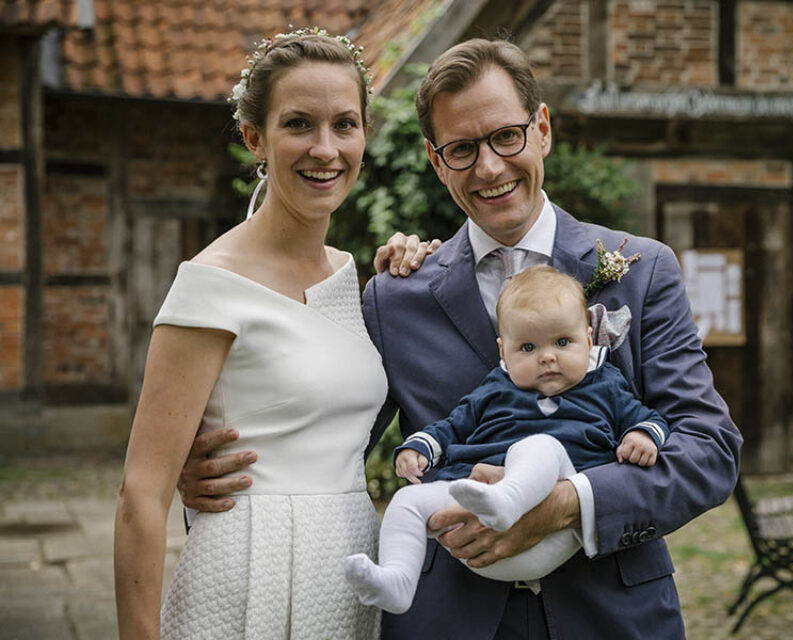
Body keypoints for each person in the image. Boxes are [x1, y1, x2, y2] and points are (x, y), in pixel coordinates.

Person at [180, 38, 741, 638]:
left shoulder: (640, 267)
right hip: (447, 618)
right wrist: (210, 469)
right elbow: (332, 441)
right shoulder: (395, 298)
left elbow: (709, 449)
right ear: (435, 159)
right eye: (462, 149)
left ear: (542, 129)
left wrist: (567, 505)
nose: (490, 167)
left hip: (612, 616)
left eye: (506, 136)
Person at [113, 28, 433, 639]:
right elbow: (140, 495)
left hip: (347, 576)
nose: (325, 148)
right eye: (298, 124)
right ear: (255, 138)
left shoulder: (349, 274)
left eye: (344, 124)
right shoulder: (211, 284)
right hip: (246, 578)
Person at [345, 265, 669, 614]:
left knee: (539, 446)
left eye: (563, 342)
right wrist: (419, 447)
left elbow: (649, 419)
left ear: (588, 339)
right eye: (528, 347)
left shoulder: (604, 383)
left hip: (551, 529)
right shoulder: (494, 388)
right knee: (407, 501)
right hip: (473, 525)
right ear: (504, 352)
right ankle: (398, 580)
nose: (547, 357)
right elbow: (453, 425)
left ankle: (507, 500)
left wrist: (641, 436)